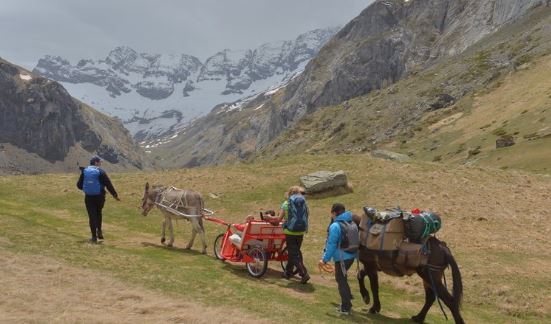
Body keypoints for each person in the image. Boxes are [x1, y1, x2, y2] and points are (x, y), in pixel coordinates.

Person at [319, 203, 358, 315]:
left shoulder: (335, 226)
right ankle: (348, 298)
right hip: (351, 256)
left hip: (341, 258)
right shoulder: (351, 222)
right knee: (342, 278)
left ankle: (346, 307)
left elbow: (331, 244)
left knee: (340, 279)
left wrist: (324, 259)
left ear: (334, 213)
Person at [267, 186, 310, 284]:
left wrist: (269, 217)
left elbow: (278, 220)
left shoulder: (286, 204)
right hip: (301, 231)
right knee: (294, 252)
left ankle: (304, 273)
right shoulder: (303, 203)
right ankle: (288, 272)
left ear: (289, 194)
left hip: (290, 232)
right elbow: (307, 215)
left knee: (294, 254)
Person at [77, 156, 120, 243]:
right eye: (100, 162)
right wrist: (115, 195)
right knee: (98, 213)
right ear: (96, 163)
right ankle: (99, 231)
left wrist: (86, 188)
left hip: (89, 197)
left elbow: (78, 185)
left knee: (92, 216)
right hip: (100, 197)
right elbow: (108, 185)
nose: (101, 163)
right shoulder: (101, 172)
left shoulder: (85, 172)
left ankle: (93, 237)